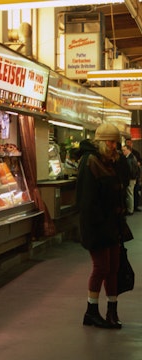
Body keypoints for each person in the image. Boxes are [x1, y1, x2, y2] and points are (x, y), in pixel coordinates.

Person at [76, 123, 128, 329]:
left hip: (113, 225)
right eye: (111, 142)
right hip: (97, 226)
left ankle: (112, 311)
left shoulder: (110, 162)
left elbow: (120, 186)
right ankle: (91, 311)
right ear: (101, 142)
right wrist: (97, 224)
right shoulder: (90, 162)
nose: (114, 146)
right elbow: (86, 200)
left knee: (114, 267)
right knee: (101, 268)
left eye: (116, 142)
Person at [121, 144, 139, 215]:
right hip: (133, 178)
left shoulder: (130, 158)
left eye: (124, 150)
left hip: (131, 178)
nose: (123, 152)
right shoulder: (132, 157)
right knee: (130, 193)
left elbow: (130, 170)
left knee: (129, 193)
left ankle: (130, 209)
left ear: (128, 150)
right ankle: (131, 208)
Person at [125, 139, 141, 211]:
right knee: (132, 192)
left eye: (129, 143)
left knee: (133, 192)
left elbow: (132, 168)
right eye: (127, 143)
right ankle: (132, 207)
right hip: (134, 176)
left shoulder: (134, 154)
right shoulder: (131, 155)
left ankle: (134, 207)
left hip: (133, 176)